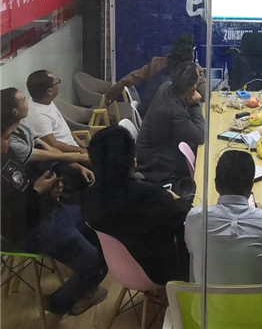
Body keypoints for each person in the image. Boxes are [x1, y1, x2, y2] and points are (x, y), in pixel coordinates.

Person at [1, 89, 107, 316]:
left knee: (103, 234)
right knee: (96, 261)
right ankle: (58, 303)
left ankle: (85, 286)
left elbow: (29, 179)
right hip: (30, 230)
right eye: (6, 138)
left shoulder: (6, 154)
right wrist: (37, 191)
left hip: (50, 211)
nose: (9, 143)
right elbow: (11, 219)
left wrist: (49, 189)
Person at [82, 126, 191, 284]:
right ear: (133, 161)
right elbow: (189, 216)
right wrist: (175, 198)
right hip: (160, 270)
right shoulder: (150, 196)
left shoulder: (87, 198)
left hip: (119, 267)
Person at [184, 149, 262, 284]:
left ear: (216, 185)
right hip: (256, 299)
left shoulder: (195, 218)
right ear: (251, 187)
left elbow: (191, 248)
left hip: (206, 298)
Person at [6, 88, 94, 191]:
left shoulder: (22, 127)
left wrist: (79, 166)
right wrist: (81, 157)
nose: (27, 104)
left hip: (52, 164)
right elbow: (52, 155)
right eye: (24, 101)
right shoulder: (12, 141)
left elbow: (51, 150)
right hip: (36, 180)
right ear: (15, 112)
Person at [136, 61, 205, 186]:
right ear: (192, 89)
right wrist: (195, 105)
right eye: (199, 76)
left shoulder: (166, 86)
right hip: (156, 165)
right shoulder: (175, 112)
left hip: (151, 153)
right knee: (205, 161)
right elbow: (201, 136)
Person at [104, 33, 206, 109]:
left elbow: (133, 78)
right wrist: (199, 74)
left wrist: (113, 92)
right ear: (192, 52)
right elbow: (205, 96)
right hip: (172, 121)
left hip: (149, 115)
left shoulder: (156, 63)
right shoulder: (194, 72)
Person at [24, 70, 89, 154]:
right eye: (57, 81)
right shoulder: (38, 116)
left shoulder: (44, 100)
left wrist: (79, 142)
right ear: (49, 91)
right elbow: (53, 145)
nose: (59, 84)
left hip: (75, 147)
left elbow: (62, 126)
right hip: (69, 155)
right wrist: (82, 151)